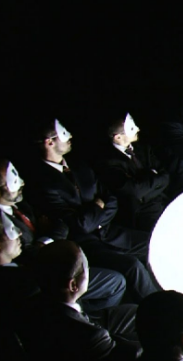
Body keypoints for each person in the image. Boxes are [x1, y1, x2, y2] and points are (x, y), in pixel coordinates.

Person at [25, 118, 158, 302]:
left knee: (155, 243)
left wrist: (97, 216)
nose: (70, 136)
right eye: (63, 134)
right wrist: (97, 206)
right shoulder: (41, 183)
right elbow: (76, 225)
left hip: (109, 231)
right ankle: (165, 308)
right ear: (49, 142)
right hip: (86, 244)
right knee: (132, 266)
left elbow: (109, 197)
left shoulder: (79, 164)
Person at [17, 241, 139, 361]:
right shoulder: (91, 337)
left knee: (134, 313)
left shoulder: (29, 305)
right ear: (73, 285)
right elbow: (129, 360)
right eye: (86, 269)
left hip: (63, 360)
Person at [0, 159, 127, 313]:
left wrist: (42, 242)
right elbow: (27, 256)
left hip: (66, 256)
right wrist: (44, 241)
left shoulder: (21, 202)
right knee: (115, 282)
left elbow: (61, 223)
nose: (22, 183)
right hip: (49, 276)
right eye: (14, 182)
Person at [96, 113, 170, 231]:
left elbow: (165, 176)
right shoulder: (108, 162)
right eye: (131, 129)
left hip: (162, 201)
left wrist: (144, 187)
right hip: (141, 213)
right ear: (118, 137)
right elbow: (134, 191)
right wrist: (154, 178)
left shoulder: (144, 149)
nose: (138, 129)